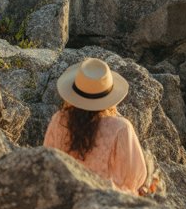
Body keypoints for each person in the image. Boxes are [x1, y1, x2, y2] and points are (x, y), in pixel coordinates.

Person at [43, 57, 157, 195]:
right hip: (105, 202)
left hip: (64, 196)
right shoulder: (120, 127)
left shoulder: (59, 119)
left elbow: (47, 162)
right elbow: (135, 178)